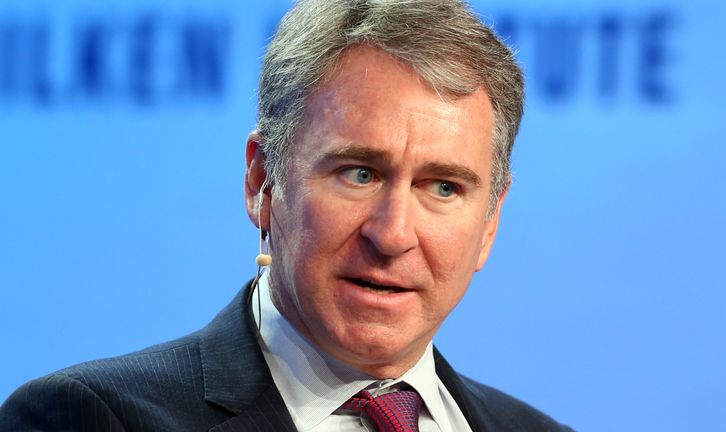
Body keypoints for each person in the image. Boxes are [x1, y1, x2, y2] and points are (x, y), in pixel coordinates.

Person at [0, 0, 575, 431]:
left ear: (490, 223)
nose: (393, 234)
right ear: (262, 181)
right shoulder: (91, 417)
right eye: (359, 173)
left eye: (444, 186)